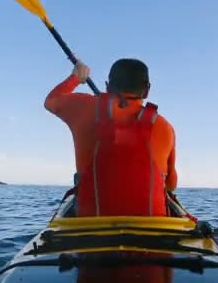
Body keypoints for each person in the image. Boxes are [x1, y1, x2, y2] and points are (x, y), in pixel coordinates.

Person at [44, 58, 178, 217]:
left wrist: (76, 77)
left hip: (91, 225)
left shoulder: (84, 107)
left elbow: (51, 101)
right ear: (147, 90)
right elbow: (170, 184)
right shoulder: (165, 126)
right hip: (152, 228)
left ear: (107, 86)